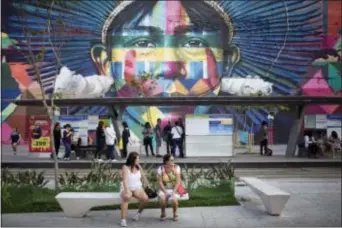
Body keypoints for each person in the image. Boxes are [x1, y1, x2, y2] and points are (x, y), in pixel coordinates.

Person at [120, 152, 149, 227]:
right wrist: (127, 191)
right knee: (127, 197)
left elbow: (143, 176)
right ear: (133, 159)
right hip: (126, 187)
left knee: (145, 199)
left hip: (137, 187)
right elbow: (125, 180)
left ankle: (138, 214)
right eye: (137, 159)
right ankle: (123, 219)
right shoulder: (125, 167)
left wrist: (148, 186)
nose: (139, 160)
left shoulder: (138, 166)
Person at [157, 154, 182, 221]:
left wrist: (173, 192)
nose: (173, 161)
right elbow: (160, 182)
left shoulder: (177, 167)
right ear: (166, 161)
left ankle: (175, 213)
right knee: (162, 199)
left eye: (173, 160)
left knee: (174, 200)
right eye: (171, 160)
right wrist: (165, 191)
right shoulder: (161, 168)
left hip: (174, 189)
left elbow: (178, 181)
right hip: (164, 189)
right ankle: (163, 213)